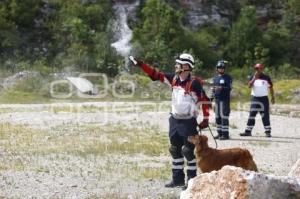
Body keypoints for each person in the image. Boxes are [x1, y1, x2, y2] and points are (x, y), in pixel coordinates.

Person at [129, 53, 210, 188]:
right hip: (174, 120)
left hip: (188, 122)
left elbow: (205, 101)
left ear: (186, 66)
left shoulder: (194, 83)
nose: (175, 66)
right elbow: (155, 75)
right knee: (175, 150)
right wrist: (141, 64)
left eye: (178, 64)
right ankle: (177, 179)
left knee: (188, 151)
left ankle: (191, 182)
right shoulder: (173, 79)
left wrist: (206, 119)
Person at [240, 63, 275, 137]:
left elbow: (271, 87)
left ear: (262, 69)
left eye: (259, 69)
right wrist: (254, 78)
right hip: (255, 98)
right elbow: (249, 86)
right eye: (256, 69)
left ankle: (268, 132)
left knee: (265, 115)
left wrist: (272, 97)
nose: (258, 70)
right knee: (252, 114)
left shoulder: (266, 77)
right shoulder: (252, 77)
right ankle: (248, 131)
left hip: (264, 98)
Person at [212, 60, 232, 140]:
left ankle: (225, 134)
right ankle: (219, 133)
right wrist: (213, 91)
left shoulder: (228, 77)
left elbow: (229, 88)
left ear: (224, 68)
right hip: (217, 100)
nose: (221, 69)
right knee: (217, 117)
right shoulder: (215, 78)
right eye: (219, 67)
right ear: (217, 68)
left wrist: (221, 88)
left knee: (224, 117)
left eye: (223, 67)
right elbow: (213, 89)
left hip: (224, 100)